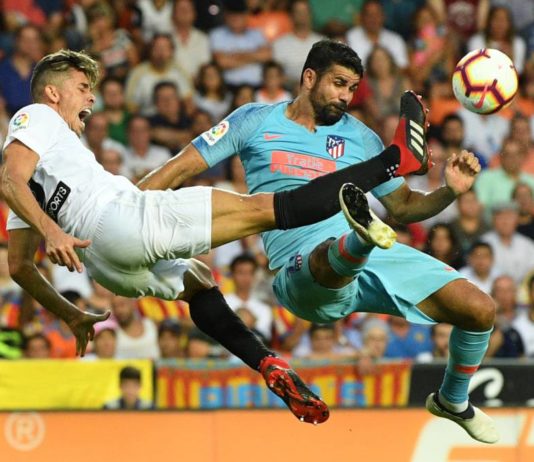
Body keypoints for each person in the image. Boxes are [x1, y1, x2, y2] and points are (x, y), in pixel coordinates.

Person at [0, 49, 429, 425]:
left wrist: (71, 314)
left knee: (200, 283)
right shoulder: (37, 116)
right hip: (120, 218)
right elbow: (8, 179)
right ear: (52, 93)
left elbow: (20, 265)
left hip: (106, 265)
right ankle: (395, 159)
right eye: (82, 87)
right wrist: (52, 231)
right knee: (265, 209)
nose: (91, 98)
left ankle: (266, 361)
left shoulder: (46, 166)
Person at [139, 39, 499, 443]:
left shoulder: (361, 137)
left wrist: (449, 191)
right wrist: (126, 210)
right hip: (300, 269)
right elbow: (181, 167)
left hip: (375, 249)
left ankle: (453, 400)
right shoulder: (254, 120)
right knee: (328, 255)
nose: (346, 96)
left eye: (352, 88)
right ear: (309, 78)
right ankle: (360, 238)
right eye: (338, 84)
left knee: (479, 309)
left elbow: (402, 208)